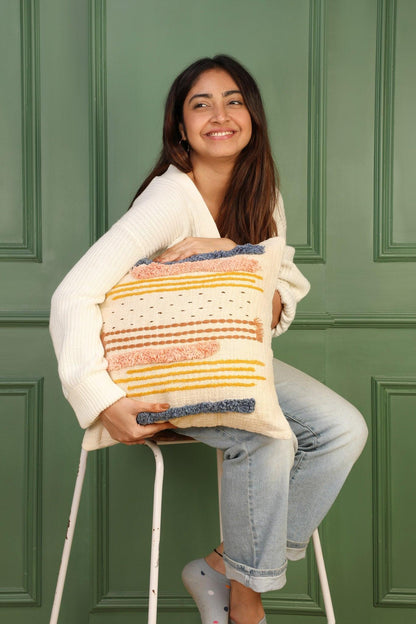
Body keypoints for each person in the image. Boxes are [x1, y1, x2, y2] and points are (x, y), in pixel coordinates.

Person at [50, 55, 368, 624]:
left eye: (233, 100)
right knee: (268, 434)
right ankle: (247, 600)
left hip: (226, 362)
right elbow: (72, 294)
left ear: (252, 116)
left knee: (344, 429)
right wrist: (102, 399)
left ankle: (223, 565)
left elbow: (271, 307)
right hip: (153, 371)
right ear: (180, 127)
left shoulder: (260, 193)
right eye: (201, 104)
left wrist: (227, 253)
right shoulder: (168, 201)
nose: (219, 115)